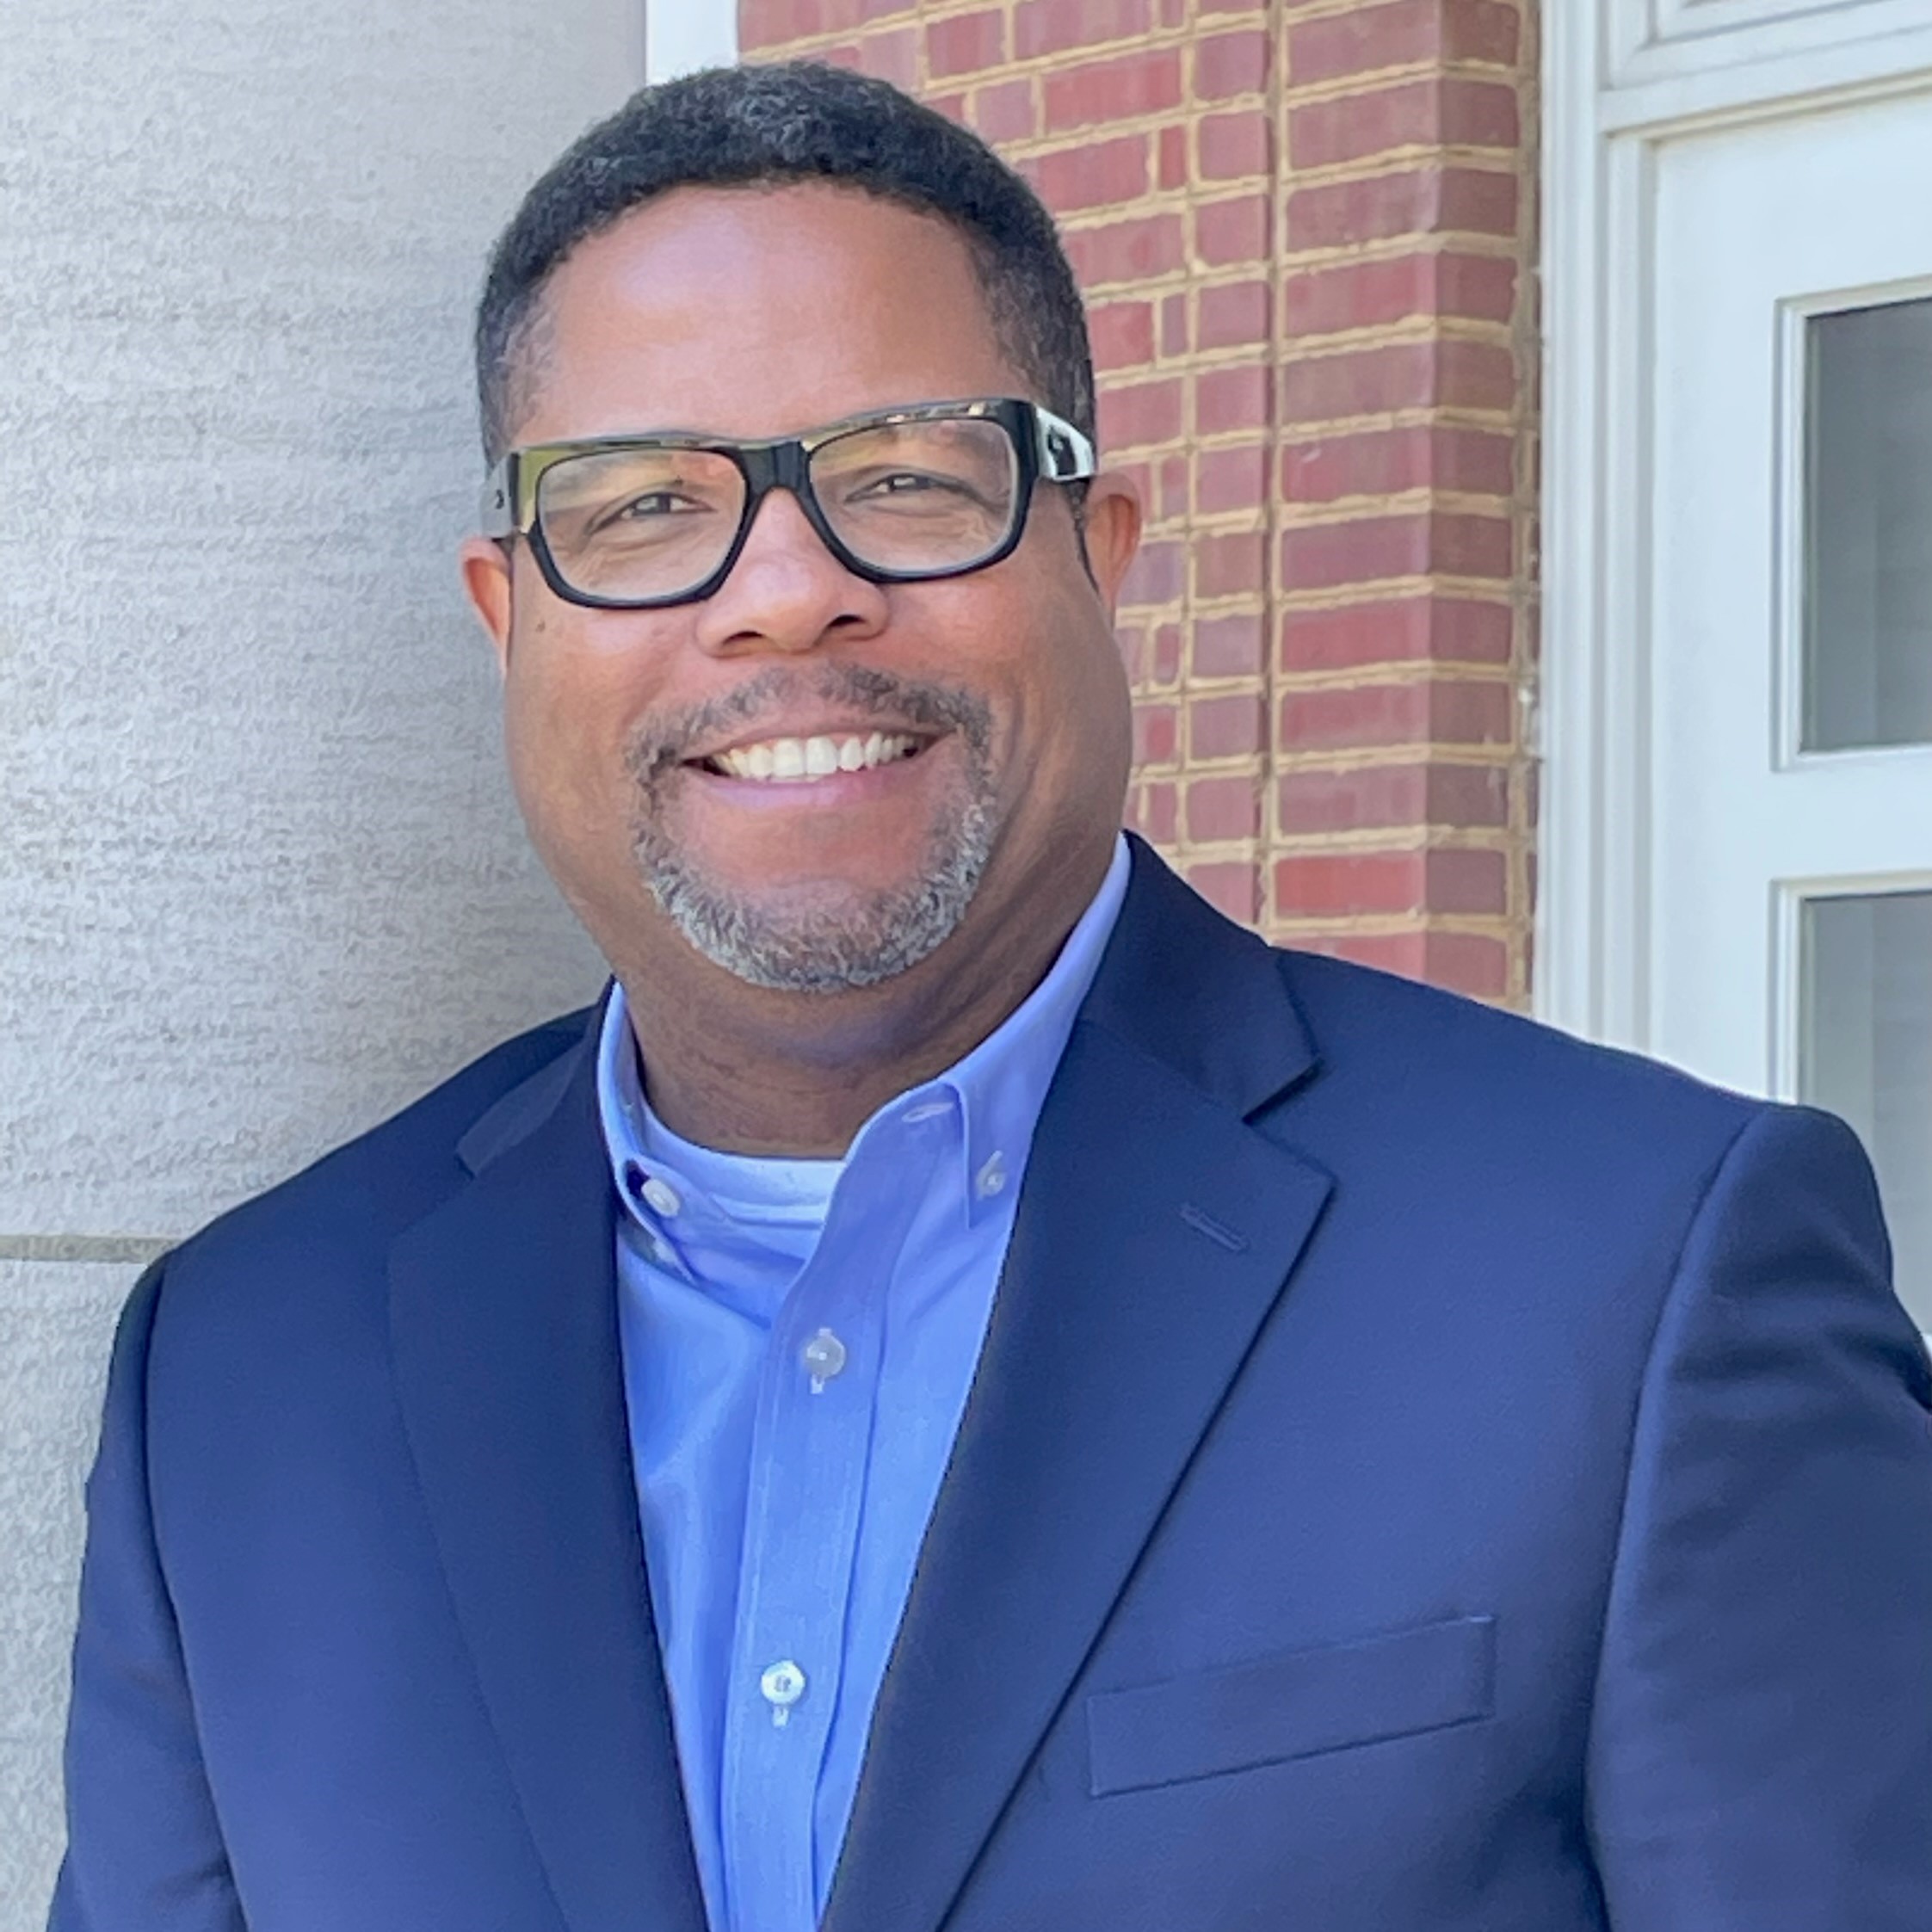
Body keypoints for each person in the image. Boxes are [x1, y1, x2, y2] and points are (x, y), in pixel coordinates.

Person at [51, 60, 1932, 1932]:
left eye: (902, 477)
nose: (784, 595)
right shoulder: (239, 1377)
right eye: (637, 508)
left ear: (1098, 557)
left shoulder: (1632, 1274)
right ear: (508, 614)